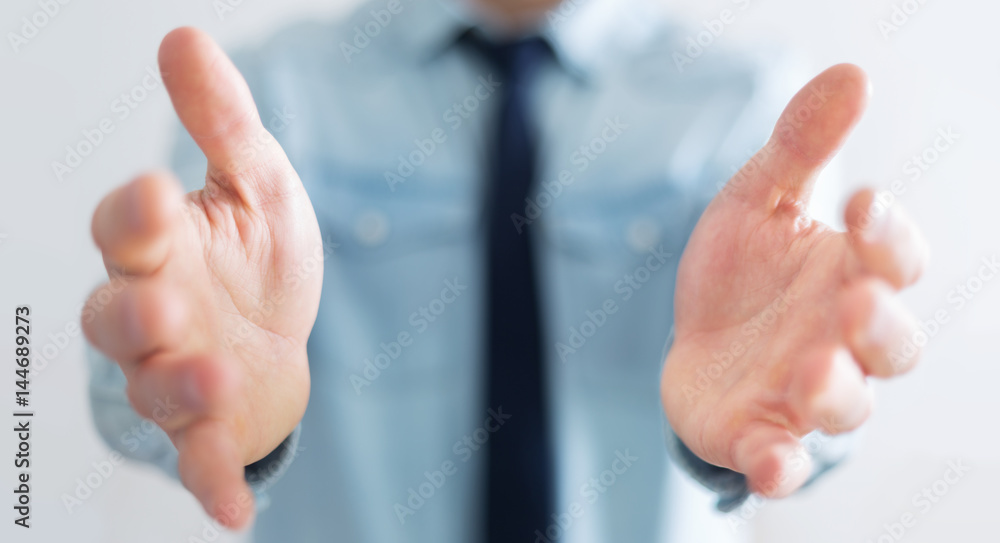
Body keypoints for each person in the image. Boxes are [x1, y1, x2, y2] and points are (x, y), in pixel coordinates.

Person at [84, 0, 928, 541]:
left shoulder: (747, 97)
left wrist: (795, 412)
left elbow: (810, 386)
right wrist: (199, 405)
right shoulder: (270, 92)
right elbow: (150, 377)